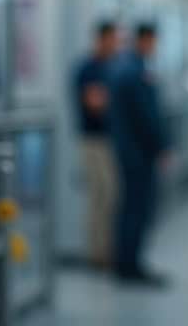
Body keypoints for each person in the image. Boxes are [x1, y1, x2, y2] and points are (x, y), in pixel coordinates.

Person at [109, 22, 172, 286]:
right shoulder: (136, 72)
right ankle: (130, 266)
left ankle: (127, 263)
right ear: (145, 40)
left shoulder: (125, 67)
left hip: (129, 149)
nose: (155, 48)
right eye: (154, 41)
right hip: (138, 152)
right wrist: (161, 146)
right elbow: (146, 116)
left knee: (130, 207)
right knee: (137, 208)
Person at [72, 21, 120, 269]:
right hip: (94, 141)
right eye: (113, 39)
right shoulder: (88, 68)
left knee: (111, 197)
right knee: (100, 196)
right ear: (102, 39)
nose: (117, 44)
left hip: (110, 140)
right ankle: (98, 254)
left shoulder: (112, 67)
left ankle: (110, 250)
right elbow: (95, 103)